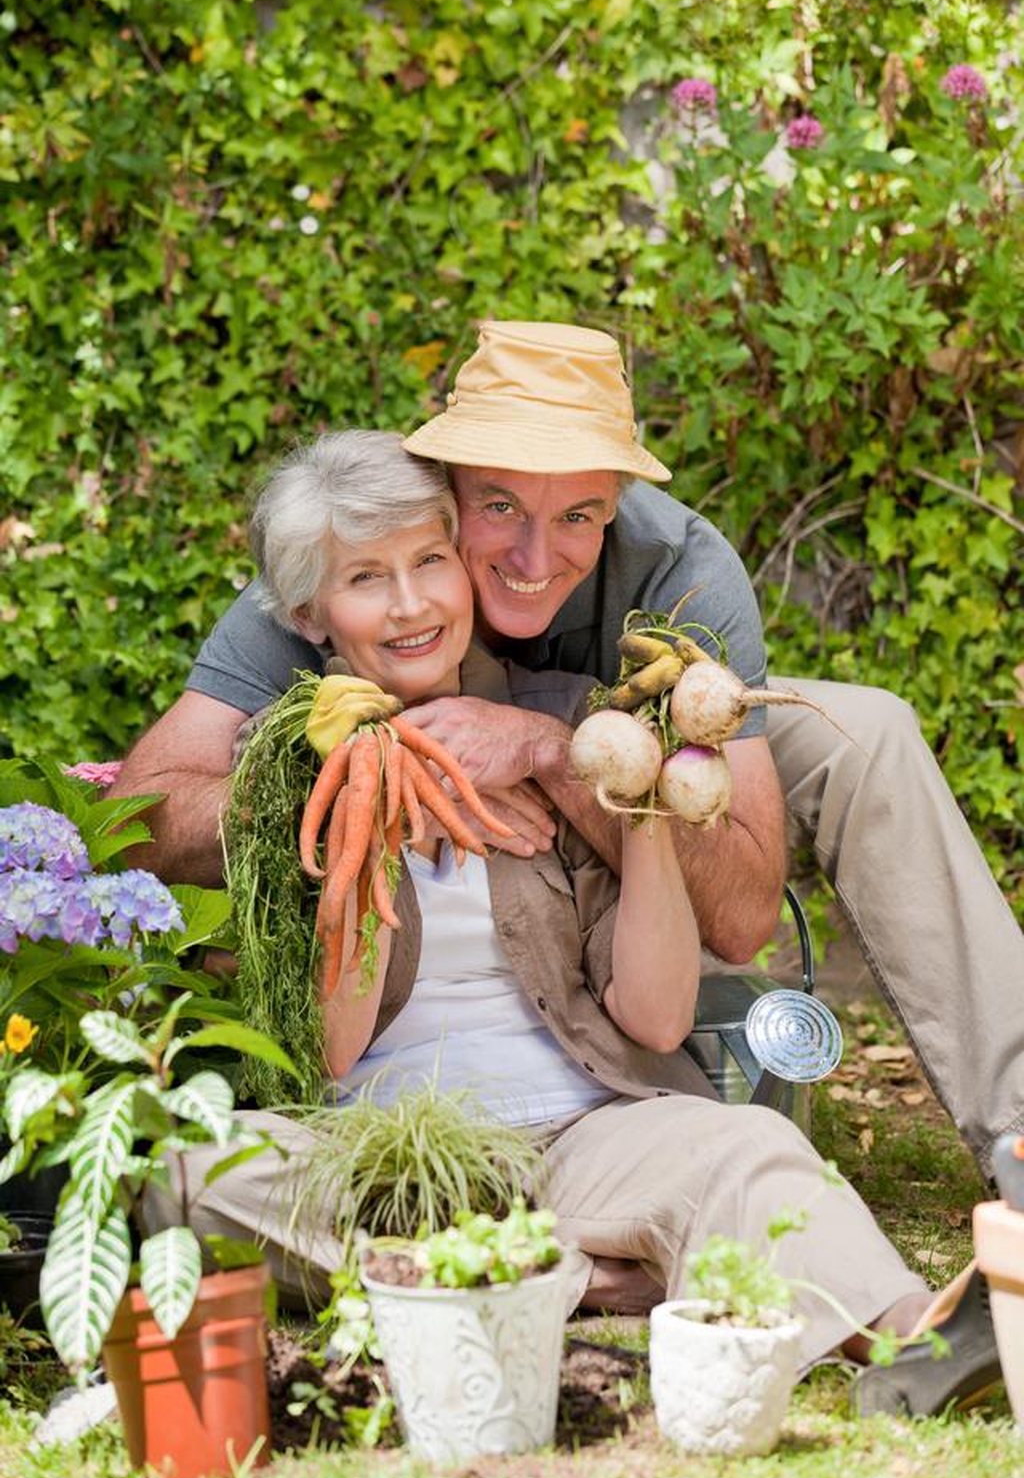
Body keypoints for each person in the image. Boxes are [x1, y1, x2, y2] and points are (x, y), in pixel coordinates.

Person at [144, 430, 993, 1414]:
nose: (411, 604)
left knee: (748, 1148)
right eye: (367, 579)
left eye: (430, 562)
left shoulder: (574, 723)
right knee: (186, 1173)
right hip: (379, 1154)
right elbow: (329, 1052)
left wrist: (630, 804)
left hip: (582, 1130)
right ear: (309, 616)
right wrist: (364, 821)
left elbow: (659, 1017)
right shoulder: (286, 768)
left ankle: (916, 1337)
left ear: (463, 567)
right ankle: (579, 1274)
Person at [115, 320, 1024, 1184]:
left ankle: (1018, 1124)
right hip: (386, 739)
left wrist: (551, 752)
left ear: (617, 503)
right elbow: (142, 817)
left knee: (869, 731)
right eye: (499, 506)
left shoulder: (680, 568)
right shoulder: (369, 545)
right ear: (445, 488)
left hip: (631, 738)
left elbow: (742, 919)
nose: (533, 557)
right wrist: (378, 770)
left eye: (579, 515)